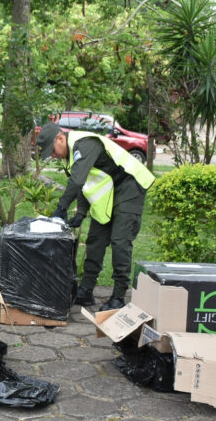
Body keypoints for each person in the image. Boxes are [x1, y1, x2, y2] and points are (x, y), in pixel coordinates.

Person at [35, 122, 154, 311]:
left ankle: (118, 296)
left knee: (120, 241)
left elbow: (77, 180)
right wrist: (81, 213)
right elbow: (85, 183)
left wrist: (61, 208)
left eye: (52, 150)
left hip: (130, 185)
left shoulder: (85, 144)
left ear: (60, 138)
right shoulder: (72, 155)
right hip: (108, 192)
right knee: (95, 240)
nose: (53, 155)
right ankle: (86, 291)